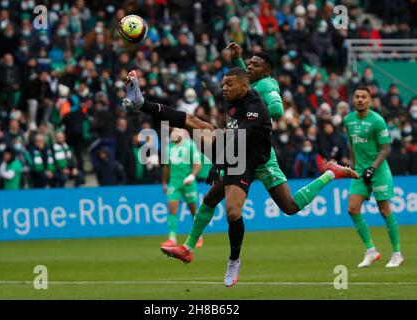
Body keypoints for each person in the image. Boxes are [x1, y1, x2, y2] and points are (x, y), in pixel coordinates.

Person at [169, 45, 359, 269]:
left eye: (255, 65)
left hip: (260, 158)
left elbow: (277, 109)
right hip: (239, 155)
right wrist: (238, 61)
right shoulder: (250, 85)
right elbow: (243, 84)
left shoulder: (267, 86)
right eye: (249, 63)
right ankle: (188, 247)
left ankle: (330, 174)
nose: (249, 66)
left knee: (289, 206)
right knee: (211, 199)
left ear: (267, 71)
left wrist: (254, 118)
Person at [125, 67, 272, 287]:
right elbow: (215, 91)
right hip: (231, 149)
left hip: (248, 158)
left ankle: (234, 261)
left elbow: (241, 142)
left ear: (244, 86)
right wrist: (206, 78)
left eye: (229, 84)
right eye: (224, 84)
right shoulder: (231, 94)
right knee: (193, 122)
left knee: (233, 213)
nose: (224, 88)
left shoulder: (255, 108)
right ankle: (141, 104)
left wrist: (218, 163)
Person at [344, 86, 403, 268]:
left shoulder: (377, 121)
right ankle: (371, 251)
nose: (360, 99)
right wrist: (353, 167)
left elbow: (386, 149)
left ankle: (397, 253)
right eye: (357, 97)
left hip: (378, 171)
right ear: (353, 100)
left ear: (369, 100)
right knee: (352, 209)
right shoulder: (348, 120)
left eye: (364, 97)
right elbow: (352, 145)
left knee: (384, 210)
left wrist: (373, 167)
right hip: (361, 171)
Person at [161, 128, 202, 248]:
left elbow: (197, 164)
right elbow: (166, 167)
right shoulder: (168, 148)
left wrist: (192, 176)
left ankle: (198, 236)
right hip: (174, 183)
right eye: (172, 131)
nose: (173, 133)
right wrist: (164, 182)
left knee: (193, 210)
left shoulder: (190, 146)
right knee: (172, 209)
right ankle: (172, 238)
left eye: (176, 131)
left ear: (182, 133)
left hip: (188, 183)